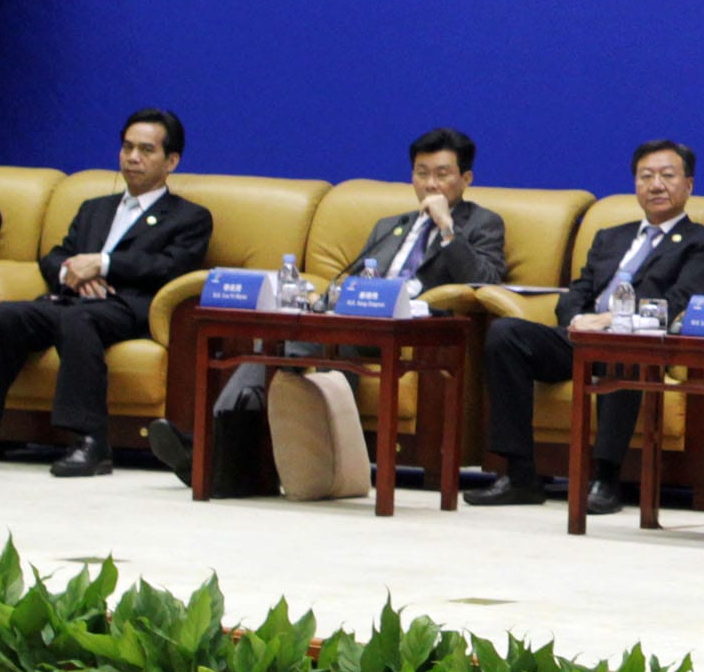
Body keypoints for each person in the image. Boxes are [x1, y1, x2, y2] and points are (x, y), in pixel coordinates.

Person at [141, 127, 512, 496]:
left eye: (442, 174)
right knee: (278, 338)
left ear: (466, 179)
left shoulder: (482, 223)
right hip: (358, 321)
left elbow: (485, 279)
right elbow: (354, 277)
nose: (430, 184)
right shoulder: (392, 226)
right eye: (421, 173)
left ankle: (209, 454)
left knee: (304, 345)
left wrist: (448, 229)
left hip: (409, 332)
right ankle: (220, 450)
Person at [466, 139, 704, 513]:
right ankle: (520, 474)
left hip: (642, 345)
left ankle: (606, 479)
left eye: (667, 176)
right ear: (636, 185)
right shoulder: (611, 237)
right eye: (646, 176)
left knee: (625, 346)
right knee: (506, 334)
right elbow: (577, 292)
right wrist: (577, 320)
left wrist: (612, 321)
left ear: (688, 185)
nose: (656, 185)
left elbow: (681, 304)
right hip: (582, 339)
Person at [0, 109, 213, 476]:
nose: (133, 158)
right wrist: (71, 270)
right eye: (127, 147)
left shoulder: (189, 217)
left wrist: (104, 264)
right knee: (5, 316)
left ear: (171, 160)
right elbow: (58, 254)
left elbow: (169, 267)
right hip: (71, 298)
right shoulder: (95, 208)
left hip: (128, 307)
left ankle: (91, 441)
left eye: (146, 150)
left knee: (79, 319)